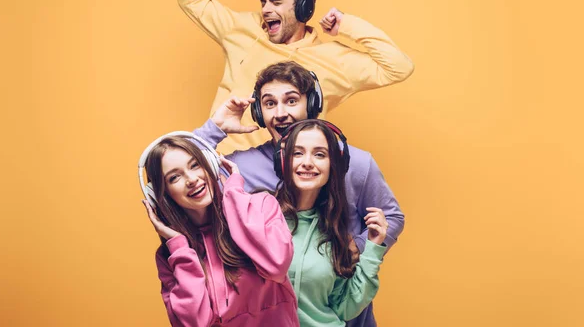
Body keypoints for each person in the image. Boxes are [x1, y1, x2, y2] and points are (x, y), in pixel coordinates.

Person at [194, 61, 403, 327]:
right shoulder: (241, 167)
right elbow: (173, 177)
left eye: (291, 101)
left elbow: (391, 216)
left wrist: (353, 250)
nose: (280, 113)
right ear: (258, 112)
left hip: (345, 310)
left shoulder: (354, 162)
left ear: (312, 104)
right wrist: (214, 129)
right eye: (269, 104)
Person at [178, 0, 414, 152]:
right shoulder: (243, 29)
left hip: (291, 179)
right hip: (224, 169)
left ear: (302, 9)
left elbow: (398, 67)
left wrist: (348, 26)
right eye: (263, 2)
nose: (266, 9)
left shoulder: (334, 59)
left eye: (275, 2)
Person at [139, 132, 299, 326]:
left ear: (210, 165)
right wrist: (180, 248)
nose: (191, 179)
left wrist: (234, 196)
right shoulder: (171, 256)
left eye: (195, 165)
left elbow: (276, 266)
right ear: (160, 195)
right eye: (174, 177)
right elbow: (195, 323)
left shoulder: (262, 206)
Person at [275, 119, 389, 326]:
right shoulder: (259, 215)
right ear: (283, 161)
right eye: (298, 153)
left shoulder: (335, 233)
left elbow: (346, 305)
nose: (307, 162)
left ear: (333, 165)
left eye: (319, 154)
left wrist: (372, 248)